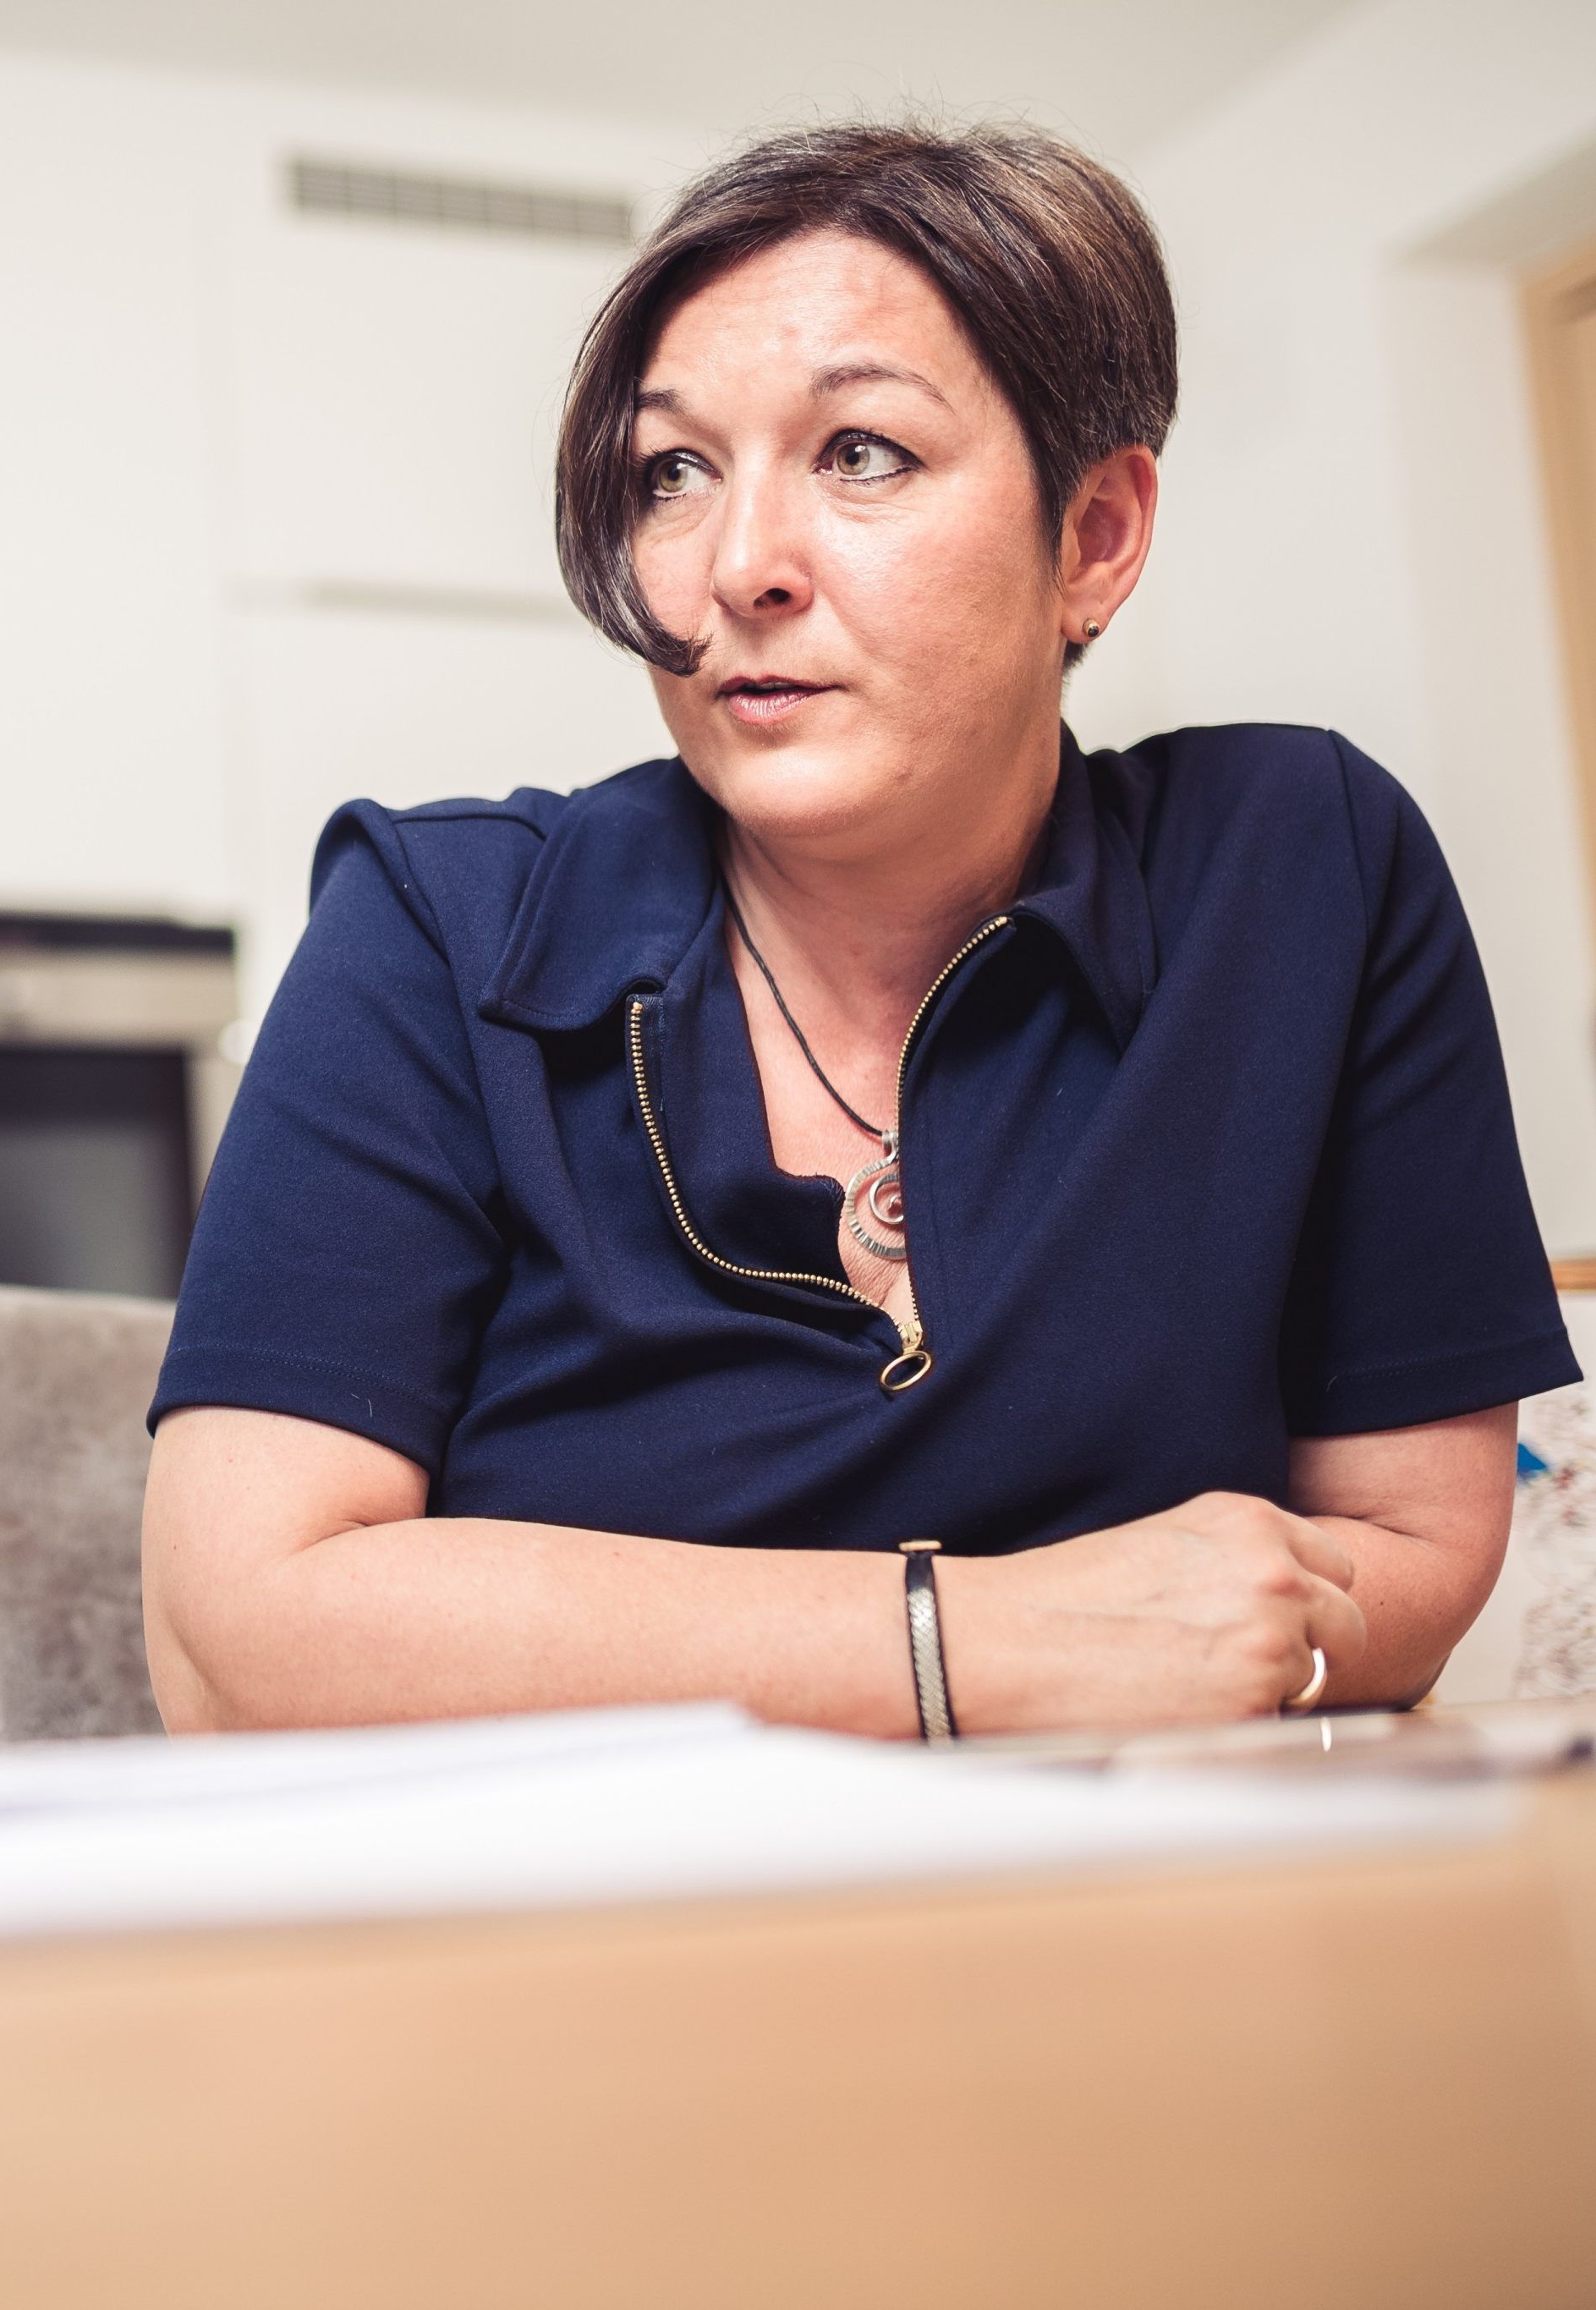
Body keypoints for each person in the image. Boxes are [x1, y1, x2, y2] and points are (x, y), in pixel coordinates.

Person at [142, 124, 1578, 1742]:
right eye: (668, 473)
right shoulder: (437, 923)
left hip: (1140, 1916)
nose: (736, 566)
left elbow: (1411, 1547)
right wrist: (976, 1641)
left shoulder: (1304, 864)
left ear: (1093, 536)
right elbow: (237, 1631)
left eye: (861, 454)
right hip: (576, 1945)